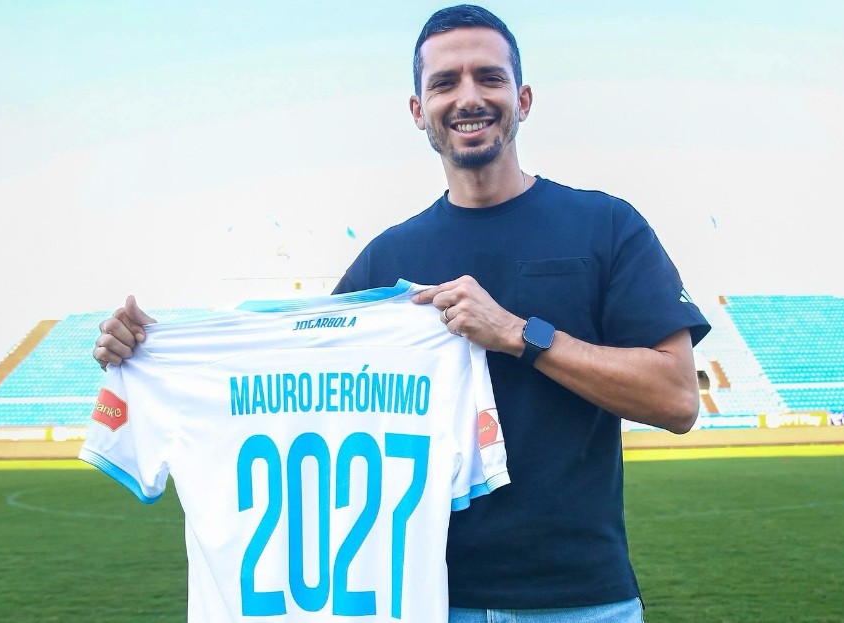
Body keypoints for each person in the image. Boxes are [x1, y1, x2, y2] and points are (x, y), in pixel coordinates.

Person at [94, 5, 710, 622]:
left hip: (579, 600)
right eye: (445, 83)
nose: (469, 98)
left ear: (523, 99)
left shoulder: (606, 225)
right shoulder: (386, 260)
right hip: (424, 600)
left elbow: (678, 399)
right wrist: (151, 350)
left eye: (489, 78)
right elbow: (289, 379)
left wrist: (517, 334)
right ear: (419, 110)